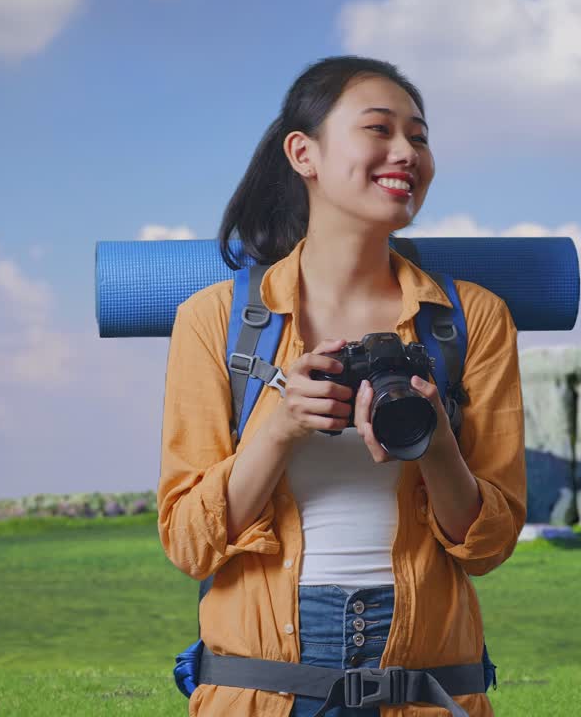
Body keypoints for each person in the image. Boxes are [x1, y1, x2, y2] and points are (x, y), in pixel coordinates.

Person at [158, 55, 527, 717]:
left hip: (426, 690)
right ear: (304, 153)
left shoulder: (473, 321)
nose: (405, 151)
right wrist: (280, 427)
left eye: (418, 136)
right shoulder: (214, 320)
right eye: (379, 129)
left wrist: (436, 440)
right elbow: (188, 542)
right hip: (260, 691)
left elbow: (489, 546)